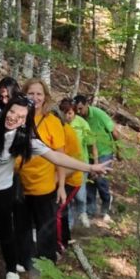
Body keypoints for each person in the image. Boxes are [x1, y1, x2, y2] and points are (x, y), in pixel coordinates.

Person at [0, 93, 111, 279]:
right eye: (12, 111)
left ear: (26, 121)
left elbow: (57, 156)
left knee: (5, 233)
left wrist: (90, 166)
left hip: (0, 190)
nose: (13, 117)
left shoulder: (26, 139)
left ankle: (12, 271)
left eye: (21, 116)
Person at [15, 78, 67, 272]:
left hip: (44, 185)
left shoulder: (52, 122)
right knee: (22, 225)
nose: (35, 98)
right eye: (31, 93)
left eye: (39, 94)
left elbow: (60, 156)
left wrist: (61, 186)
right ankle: (25, 259)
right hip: (20, 182)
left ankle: (46, 264)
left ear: (45, 98)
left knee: (46, 227)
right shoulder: (18, 117)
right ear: (24, 95)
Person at [73, 94, 120, 222]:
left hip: (104, 151)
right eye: (76, 109)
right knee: (90, 182)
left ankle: (106, 204)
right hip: (88, 154)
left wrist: (118, 150)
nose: (79, 112)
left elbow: (114, 132)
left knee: (100, 180)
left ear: (87, 105)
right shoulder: (77, 119)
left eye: (81, 108)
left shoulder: (99, 114)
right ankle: (90, 210)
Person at [0, 76, 20, 244]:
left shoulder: (20, 114)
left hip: (12, 165)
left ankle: (2, 228)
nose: (4, 100)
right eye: (1, 96)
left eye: (8, 96)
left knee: (10, 198)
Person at [51, 106, 84, 253]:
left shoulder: (67, 133)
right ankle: (65, 238)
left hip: (71, 179)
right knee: (61, 210)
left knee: (57, 210)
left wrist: (58, 181)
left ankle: (59, 246)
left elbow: (75, 163)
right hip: (56, 177)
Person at [59, 97, 95, 229]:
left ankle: (82, 212)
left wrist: (94, 162)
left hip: (81, 164)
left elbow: (92, 143)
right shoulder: (59, 125)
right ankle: (69, 224)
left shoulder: (82, 124)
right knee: (66, 198)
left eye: (70, 113)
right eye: (64, 113)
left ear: (74, 112)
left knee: (80, 195)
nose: (67, 116)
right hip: (63, 165)